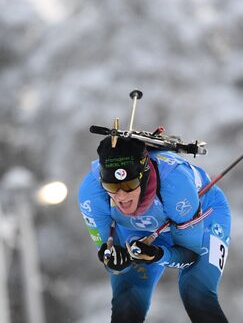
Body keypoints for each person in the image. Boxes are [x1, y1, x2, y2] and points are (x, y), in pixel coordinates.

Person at [78, 136, 231, 323]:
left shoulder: (176, 187)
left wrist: (158, 255)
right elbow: (109, 256)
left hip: (205, 217)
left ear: (143, 176)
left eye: (129, 186)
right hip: (138, 229)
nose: (121, 196)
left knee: (196, 293)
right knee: (127, 300)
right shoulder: (91, 194)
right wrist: (115, 261)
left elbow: (190, 256)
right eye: (111, 186)